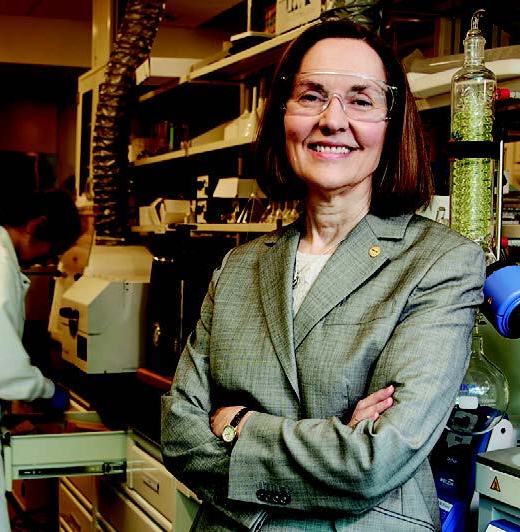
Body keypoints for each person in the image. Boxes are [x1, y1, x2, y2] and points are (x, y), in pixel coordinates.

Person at [161, 19, 486, 531]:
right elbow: (181, 438)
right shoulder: (239, 267)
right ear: (282, 116)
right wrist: (332, 443)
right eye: (311, 96)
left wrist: (239, 424)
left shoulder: (441, 262)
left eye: (360, 100)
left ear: (392, 124)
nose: (332, 120)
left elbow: (373, 461)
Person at [0, 188, 82, 531]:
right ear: (36, 226)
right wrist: (47, 391)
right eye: (52, 248)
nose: (47, 259)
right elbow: (0, 369)